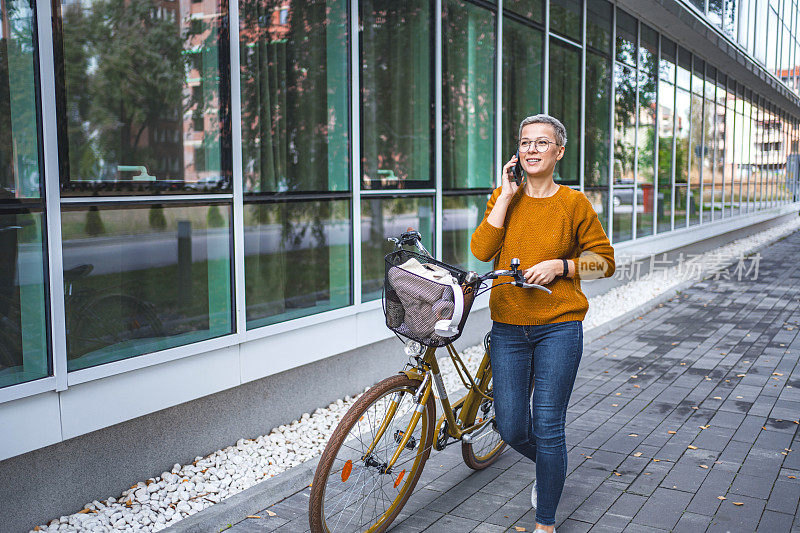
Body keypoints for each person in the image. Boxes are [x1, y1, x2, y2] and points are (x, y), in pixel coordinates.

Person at [470, 114, 615, 533]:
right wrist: (505, 196)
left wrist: (562, 265)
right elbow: (481, 250)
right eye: (525, 142)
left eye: (542, 142)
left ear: (559, 152)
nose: (532, 149)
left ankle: (545, 521)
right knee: (511, 426)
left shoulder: (574, 204)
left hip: (559, 326)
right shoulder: (504, 196)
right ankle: (552, 468)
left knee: (548, 425)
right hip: (508, 328)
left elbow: (604, 261)